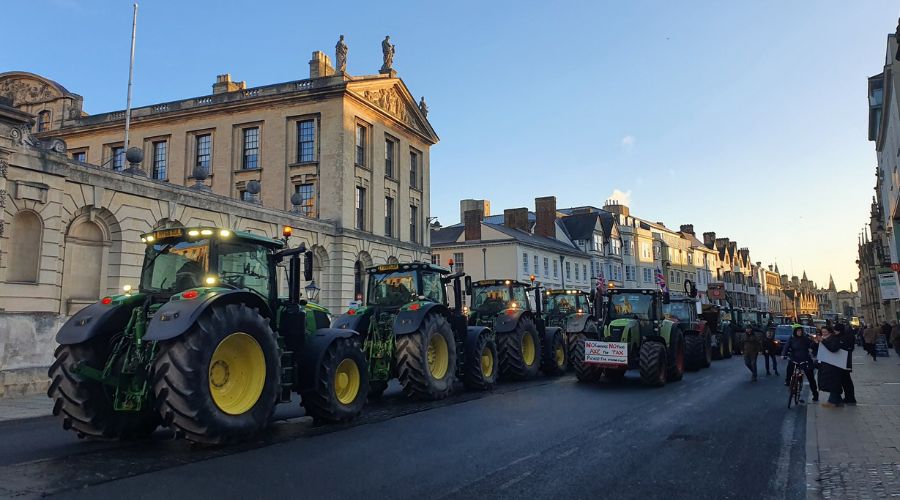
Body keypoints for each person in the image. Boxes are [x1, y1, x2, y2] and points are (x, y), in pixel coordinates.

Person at [782, 324, 819, 402]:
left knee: (810, 377)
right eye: (798, 331)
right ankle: (788, 380)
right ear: (795, 332)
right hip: (794, 358)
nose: (799, 332)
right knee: (790, 368)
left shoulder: (806, 339)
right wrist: (783, 354)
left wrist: (815, 343)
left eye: (800, 331)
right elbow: (786, 347)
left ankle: (815, 394)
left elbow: (812, 346)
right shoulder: (791, 339)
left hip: (805, 359)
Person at [817, 325, 851, 408]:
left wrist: (823, 341)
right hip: (827, 363)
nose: (824, 334)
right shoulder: (824, 339)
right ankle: (838, 401)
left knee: (833, 382)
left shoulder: (834, 339)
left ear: (830, 332)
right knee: (830, 382)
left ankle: (832, 401)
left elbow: (833, 348)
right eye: (822, 332)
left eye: (825, 332)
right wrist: (816, 343)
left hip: (834, 364)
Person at [834, 323, 856, 405]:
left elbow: (839, 348)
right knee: (846, 381)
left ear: (839, 330)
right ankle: (849, 397)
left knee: (846, 381)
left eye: (835, 330)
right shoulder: (848, 336)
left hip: (843, 362)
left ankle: (850, 398)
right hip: (846, 362)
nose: (834, 332)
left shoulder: (842, 338)